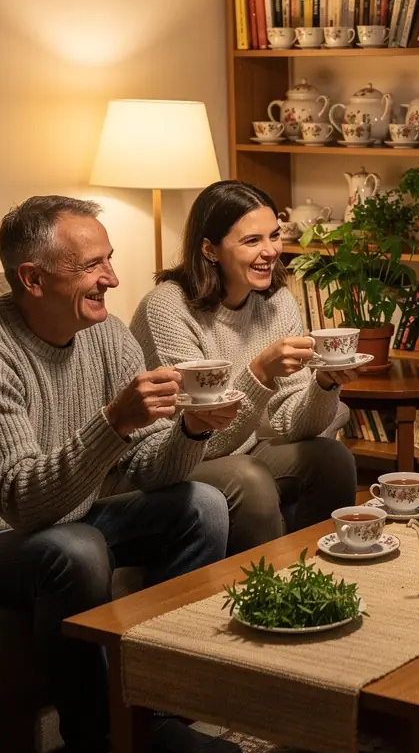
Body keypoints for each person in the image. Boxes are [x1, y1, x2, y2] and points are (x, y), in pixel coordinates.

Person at [0, 197, 246, 753]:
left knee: (201, 504)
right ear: (33, 278)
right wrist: (112, 422)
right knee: (75, 548)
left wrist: (192, 431)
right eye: (93, 265)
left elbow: (150, 469)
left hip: (57, 514)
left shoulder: (106, 335)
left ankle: (159, 721)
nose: (113, 279)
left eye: (110, 260)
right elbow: (22, 503)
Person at [129, 181, 358, 555]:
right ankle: (266, 596)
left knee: (331, 458)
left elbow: (293, 424)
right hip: (172, 458)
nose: (270, 252)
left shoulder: (276, 302)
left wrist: (324, 384)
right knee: (249, 477)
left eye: (274, 236)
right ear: (209, 249)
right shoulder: (167, 309)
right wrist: (260, 374)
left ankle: (321, 576)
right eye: (252, 241)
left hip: (241, 446)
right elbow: (206, 440)